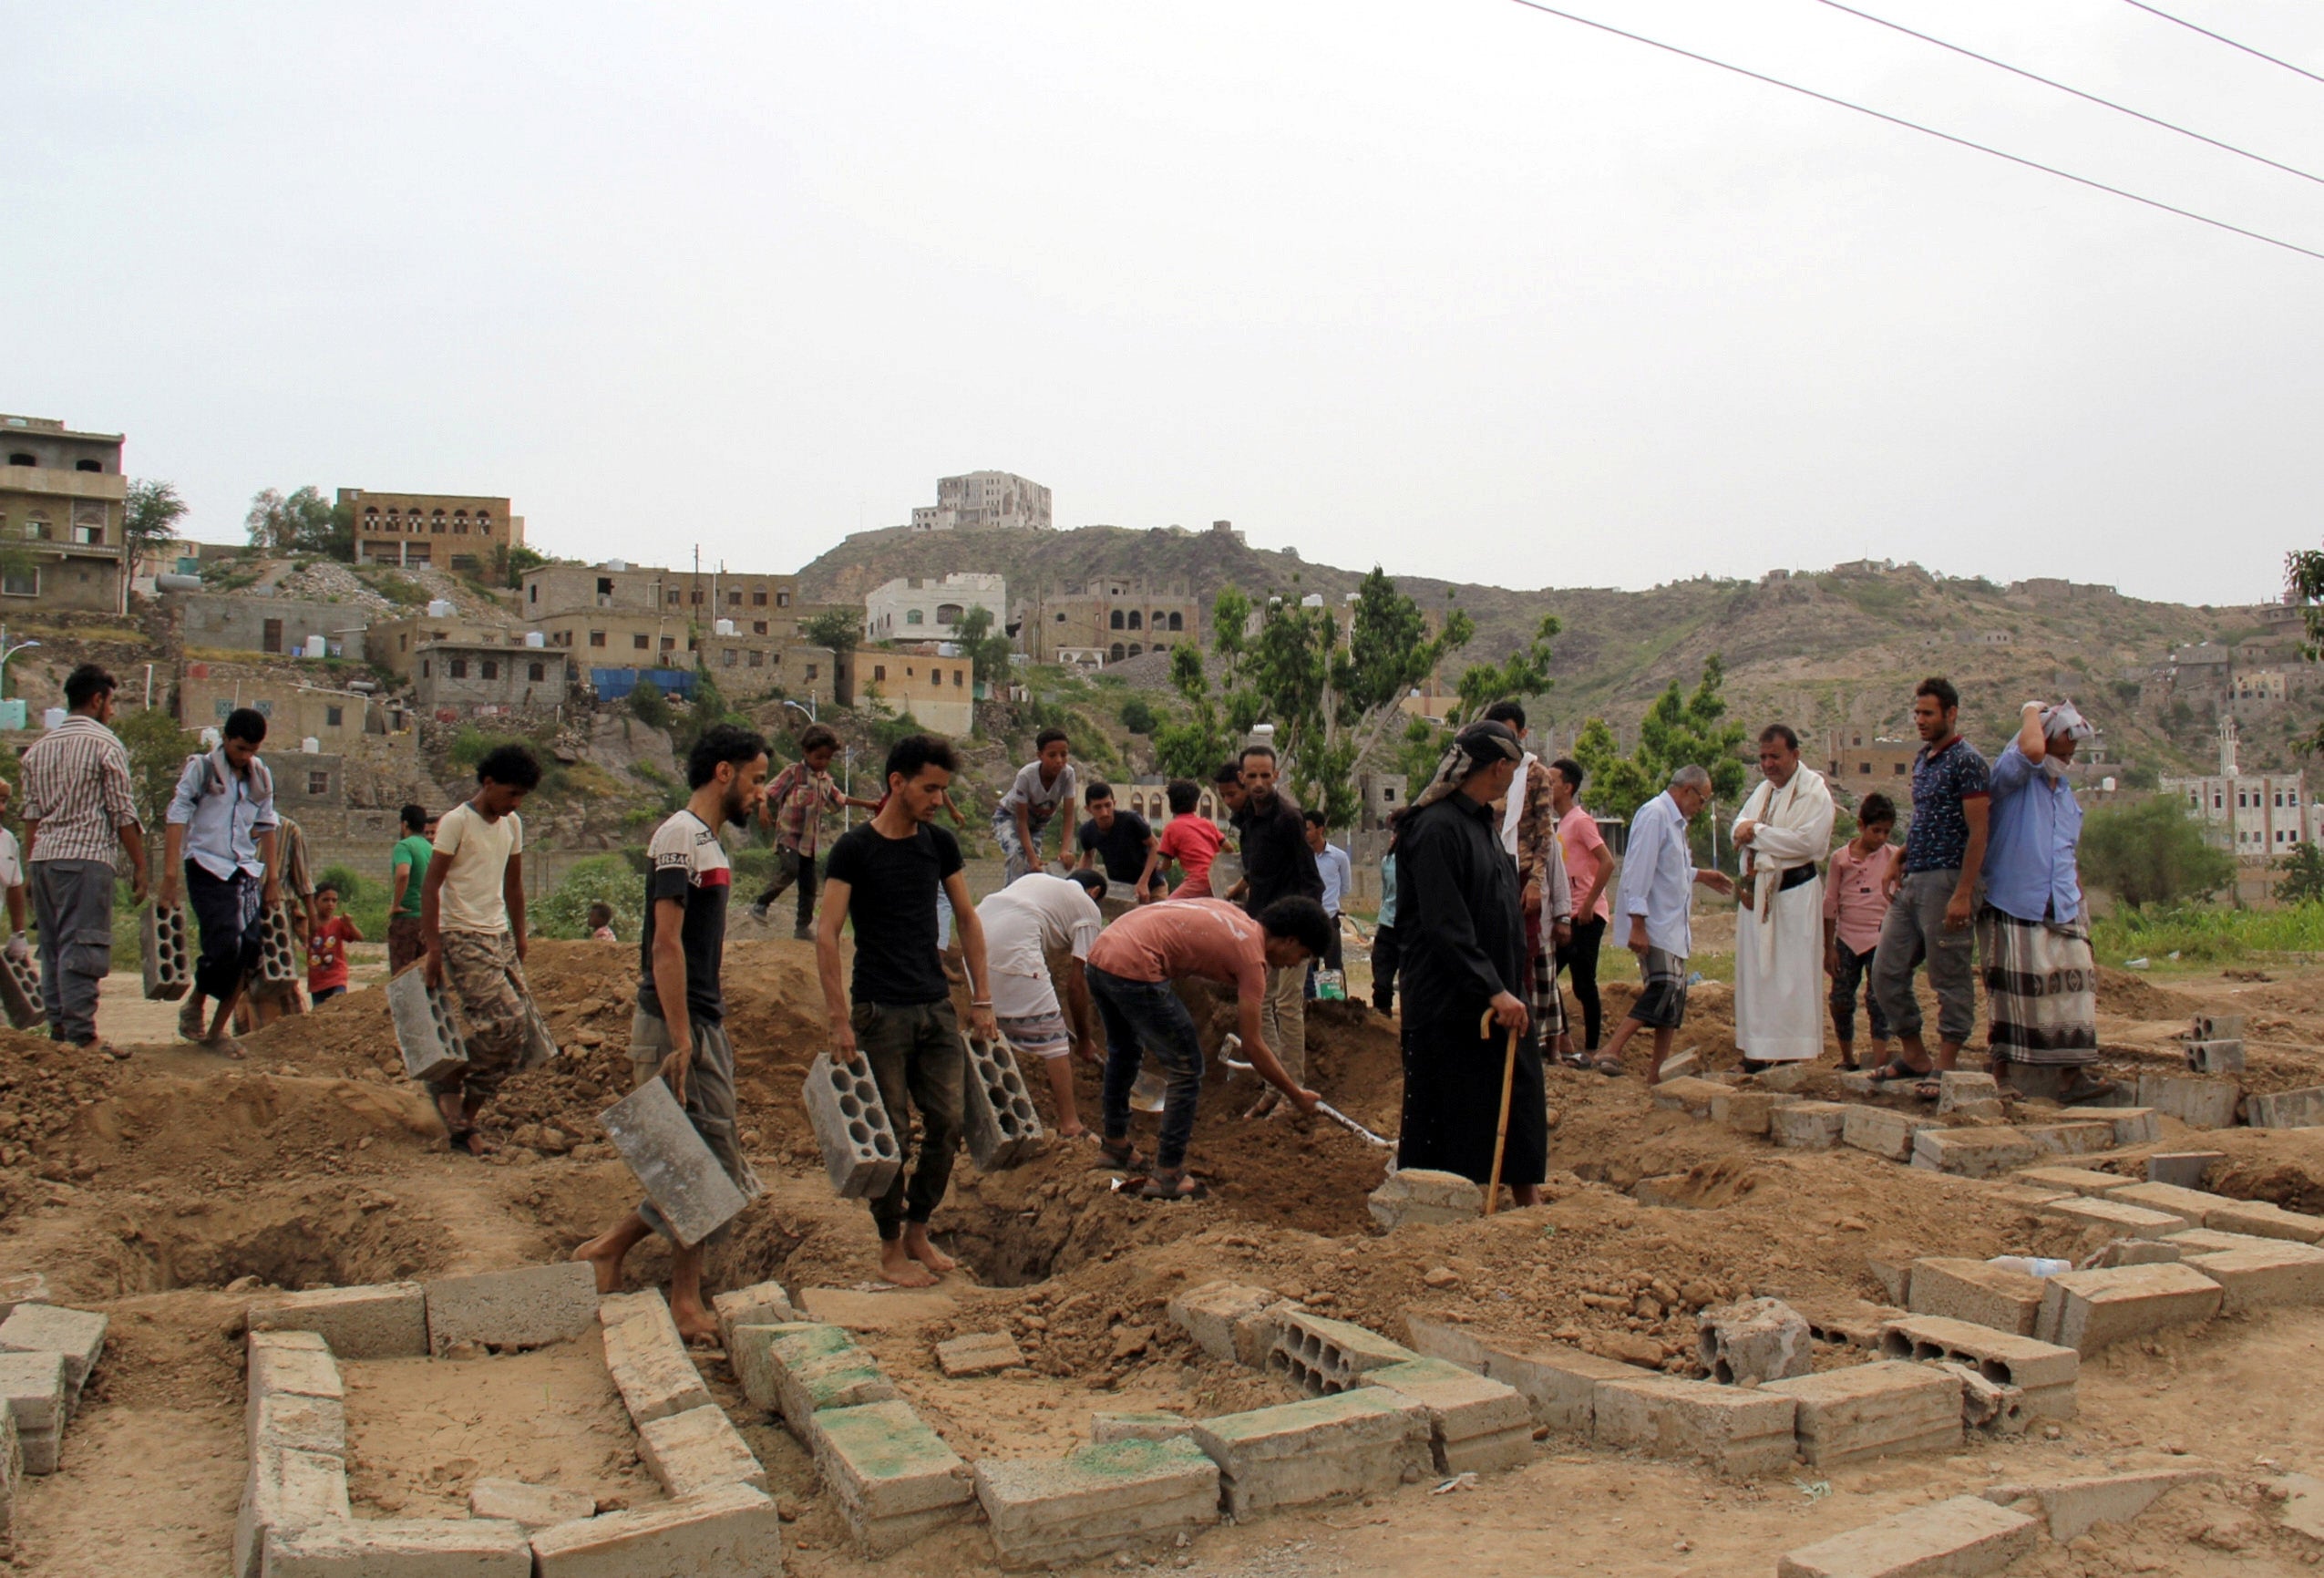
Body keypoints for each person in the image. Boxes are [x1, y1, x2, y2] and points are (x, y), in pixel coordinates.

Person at [575, 725, 772, 1342]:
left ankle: (610, 1249)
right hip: (675, 1022)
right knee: (697, 1162)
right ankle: (683, 1298)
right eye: (756, 779)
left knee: (707, 1161)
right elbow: (665, 944)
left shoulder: (710, 843)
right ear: (723, 773)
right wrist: (682, 1036)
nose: (761, 793)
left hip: (699, 1019)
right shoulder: (679, 836)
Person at [819, 733, 999, 1288]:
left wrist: (982, 999)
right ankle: (890, 1247)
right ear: (897, 783)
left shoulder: (938, 844)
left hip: (935, 1005)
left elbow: (967, 918)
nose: (938, 800)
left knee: (948, 1122)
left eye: (943, 790)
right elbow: (827, 932)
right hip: (880, 1011)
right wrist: (839, 1019)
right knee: (892, 1134)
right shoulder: (854, 849)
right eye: (929, 789)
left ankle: (919, 1228)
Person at [1085, 895, 1328, 1199]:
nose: (1294, 964)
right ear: (1290, 941)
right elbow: (1253, 1045)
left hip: (1101, 954)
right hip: (1135, 965)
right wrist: (1295, 1094)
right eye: (1302, 956)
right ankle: (1168, 1174)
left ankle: (1114, 1146)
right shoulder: (1252, 960)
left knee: (1124, 1052)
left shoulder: (1234, 917)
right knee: (1186, 1067)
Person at [1392, 721, 1544, 1201]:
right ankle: (1440, 1215)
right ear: (1498, 767)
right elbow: (1445, 925)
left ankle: (1525, 1200)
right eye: (1513, 770)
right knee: (1449, 1117)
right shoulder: (1435, 828)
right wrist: (1492, 989)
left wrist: (1505, 988)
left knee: (1515, 1100)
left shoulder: (1481, 824)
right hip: (1450, 1003)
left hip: (1497, 994)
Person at [1980, 701, 2109, 1103]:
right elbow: (2031, 752)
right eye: (2062, 752)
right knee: (2010, 994)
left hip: (2062, 902)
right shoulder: (2014, 778)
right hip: (2015, 900)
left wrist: (2080, 902)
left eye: (2071, 755)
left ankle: (2072, 1075)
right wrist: (2030, 712)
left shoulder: (2066, 796)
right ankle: (2002, 1075)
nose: (2065, 760)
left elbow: (2067, 852)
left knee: (2075, 988)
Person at [19, 665, 148, 1057]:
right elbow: (122, 814)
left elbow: (31, 817)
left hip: (44, 859)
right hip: (86, 858)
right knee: (83, 946)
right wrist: (140, 866)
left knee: (53, 947)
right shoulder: (106, 745)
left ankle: (60, 1030)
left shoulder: (38, 749)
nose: (113, 710)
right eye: (111, 702)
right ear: (97, 699)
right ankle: (82, 1035)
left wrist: (30, 868)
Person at [421, 744, 541, 1156]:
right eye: (511, 793)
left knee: (519, 1034)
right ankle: (448, 1082)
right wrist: (433, 948)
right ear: (488, 783)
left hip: (498, 935)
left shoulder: (512, 824)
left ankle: (464, 1118)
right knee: (504, 1023)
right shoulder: (456, 822)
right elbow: (431, 886)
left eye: (522, 796)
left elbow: (514, 885)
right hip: (461, 934)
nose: (516, 803)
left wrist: (520, 936)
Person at [1871, 678, 1990, 1091]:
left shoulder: (1968, 762)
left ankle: (1947, 1062)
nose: (1920, 720)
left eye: (1928, 713)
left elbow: (1979, 832)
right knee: (1885, 970)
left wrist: (1964, 892)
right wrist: (1899, 858)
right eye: (1917, 713)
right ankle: (1915, 1055)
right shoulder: (1924, 759)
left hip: (1948, 878)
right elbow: (1927, 820)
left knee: (1948, 973)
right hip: (1916, 878)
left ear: (1950, 714)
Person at [1596, 766, 1734, 1082]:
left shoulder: (1675, 824)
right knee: (1664, 986)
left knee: (1674, 1001)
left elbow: (1670, 869)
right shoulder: (1655, 815)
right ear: (1687, 790)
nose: (1701, 807)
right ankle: (1611, 1048)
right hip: (1654, 922)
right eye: (1702, 800)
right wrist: (1637, 923)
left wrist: (1702, 875)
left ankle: (1656, 1073)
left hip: (1673, 925)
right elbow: (1638, 870)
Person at [160, 706, 280, 1054]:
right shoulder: (202, 769)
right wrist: (169, 875)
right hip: (206, 866)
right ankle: (197, 1001)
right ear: (225, 738)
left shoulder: (260, 776)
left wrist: (273, 878)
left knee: (250, 950)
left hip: (244, 870)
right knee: (224, 945)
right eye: (240, 748)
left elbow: (267, 824)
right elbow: (177, 814)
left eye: (252, 750)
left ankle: (216, 1031)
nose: (245, 756)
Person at [1730, 724, 1836, 1069]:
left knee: (1792, 976)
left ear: (1795, 754)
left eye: (1775, 756)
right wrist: (1751, 832)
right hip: (1759, 897)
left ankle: (1792, 1054)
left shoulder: (1814, 791)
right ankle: (1757, 1052)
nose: (1768, 764)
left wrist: (1757, 833)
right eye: (1762, 757)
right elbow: (1737, 828)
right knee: (1757, 976)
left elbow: (1807, 842)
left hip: (1794, 898)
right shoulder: (1764, 791)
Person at [1227, 744, 1321, 1119]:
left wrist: (1304, 931)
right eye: (1252, 776)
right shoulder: (1247, 818)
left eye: (1265, 775)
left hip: (1292, 932)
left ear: (1276, 775)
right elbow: (1258, 872)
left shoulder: (1287, 819)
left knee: (1287, 1005)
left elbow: (1310, 878)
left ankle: (1293, 1092)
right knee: (1260, 1004)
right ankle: (1274, 1087)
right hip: (1260, 930)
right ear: (1242, 777)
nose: (1259, 782)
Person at [976, 869, 1108, 1138]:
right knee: (1053, 1038)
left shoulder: (1038, 881)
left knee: (995, 1025)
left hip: (976, 936)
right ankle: (1070, 1124)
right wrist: (1084, 1040)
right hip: (1013, 942)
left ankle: (992, 1116)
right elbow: (1077, 983)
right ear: (1094, 892)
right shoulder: (1088, 908)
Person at [1484, 702, 1573, 1061]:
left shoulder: (1535, 774)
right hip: (1489, 873)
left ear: (1521, 734)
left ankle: (1531, 1044)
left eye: (1507, 732)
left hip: (1521, 876)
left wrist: (1535, 882)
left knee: (1529, 957)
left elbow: (1543, 833)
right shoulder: (1485, 770)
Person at [750, 723, 878, 938]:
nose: (823, 762)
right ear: (805, 752)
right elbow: (768, 791)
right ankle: (761, 904)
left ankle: (802, 927)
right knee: (790, 870)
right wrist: (763, 807)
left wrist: (868, 804)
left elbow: (840, 799)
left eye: (827, 758)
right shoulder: (793, 773)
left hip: (808, 843)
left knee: (809, 886)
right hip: (788, 836)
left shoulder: (825, 781)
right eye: (819, 757)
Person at [1824, 792, 1899, 1072]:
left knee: (1878, 1000)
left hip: (1881, 938)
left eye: (1886, 832)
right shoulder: (1840, 860)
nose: (1881, 837)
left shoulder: (1893, 857)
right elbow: (1830, 904)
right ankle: (1847, 1058)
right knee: (1841, 999)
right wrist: (1829, 948)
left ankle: (1878, 1061)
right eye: (1875, 830)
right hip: (1847, 938)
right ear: (1861, 825)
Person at [1548, 758, 1612, 1057]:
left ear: (1567, 787)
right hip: (1569, 913)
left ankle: (1592, 1050)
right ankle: (1565, 1041)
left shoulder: (1581, 821)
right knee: (1549, 973)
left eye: (1552, 782)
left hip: (1586, 915)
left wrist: (1588, 904)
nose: (1547, 788)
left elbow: (1607, 862)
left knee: (1584, 982)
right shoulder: (1562, 824)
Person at [243, 813, 314, 1028]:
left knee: (278, 976)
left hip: (275, 918)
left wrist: (312, 920)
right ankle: (251, 1033)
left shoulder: (288, 830)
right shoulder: (233, 823)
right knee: (245, 978)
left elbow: (302, 881)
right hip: (241, 914)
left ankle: (286, 1031)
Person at [993, 728, 1076, 885]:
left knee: (1036, 868)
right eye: (1052, 755)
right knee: (1018, 855)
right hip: (1010, 817)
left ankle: (1028, 894)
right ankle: (1011, 894)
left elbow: (1069, 816)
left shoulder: (1068, 774)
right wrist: (1031, 858)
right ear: (1040, 755)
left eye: (1064, 755)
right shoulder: (1026, 776)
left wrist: (1065, 850)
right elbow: (1021, 821)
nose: (1059, 760)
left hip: (1037, 824)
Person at [1077, 782, 1165, 908]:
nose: (1104, 812)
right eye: (1097, 807)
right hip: (1121, 892)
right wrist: (1079, 886)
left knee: (1160, 918)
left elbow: (1155, 845)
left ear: (1114, 803)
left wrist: (1143, 881)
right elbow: (1088, 855)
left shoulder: (1131, 820)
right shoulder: (1087, 831)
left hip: (1152, 885)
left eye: (1108, 805)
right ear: (1088, 809)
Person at [1139, 779, 1226, 901]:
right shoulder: (1207, 824)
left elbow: (1167, 864)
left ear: (1170, 805)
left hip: (1198, 879)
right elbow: (1229, 847)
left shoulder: (1171, 828)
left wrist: (1158, 867)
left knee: (1169, 906)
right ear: (1195, 805)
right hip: (1218, 878)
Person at [1301, 809, 1351, 995]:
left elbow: (1345, 887)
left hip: (1329, 919)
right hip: (1307, 921)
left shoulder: (1339, 857)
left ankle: (1335, 1006)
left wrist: (1331, 903)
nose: (1305, 833)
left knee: (1333, 969)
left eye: (1308, 829)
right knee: (1307, 971)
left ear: (1320, 829)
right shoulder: (1302, 858)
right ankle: (1311, 1006)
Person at [388, 804, 431, 975]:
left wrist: (396, 905)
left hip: (407, 918)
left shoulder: (404, 846)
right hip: (427, 918)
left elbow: (403, 873)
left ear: (405, 824)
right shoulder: (429, 848)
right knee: (423, 973)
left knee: (403, 975)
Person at [1371, 810, 1404, 1015]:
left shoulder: (1423, 862)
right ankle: (1382, 1023)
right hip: (1387, 927)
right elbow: (1386, 895)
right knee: (1381, 984)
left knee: (1410, 986)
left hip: (1410, 930)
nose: (1393, 837)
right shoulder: (1388, 862)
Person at [307, 882, 361, 1005]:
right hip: (317, 980)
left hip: (337, 976)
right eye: (325, 900)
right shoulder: (309, 924)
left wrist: (350, 924)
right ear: (315, 902)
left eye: (334, 900)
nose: (330, 904)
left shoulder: (338, 922)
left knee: (338, 1003)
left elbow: (359, 937)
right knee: (320, 1012)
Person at [0, 779, 29, 969]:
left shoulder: (8, 840)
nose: (1, 808)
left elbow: (14, 886)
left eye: (3, 801)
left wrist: (19, 933)